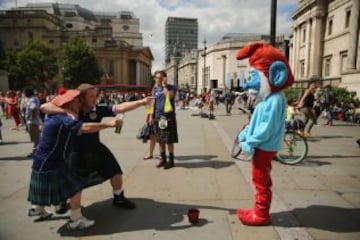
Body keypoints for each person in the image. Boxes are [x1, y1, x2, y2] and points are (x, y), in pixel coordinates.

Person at [41, 84, 153, 209]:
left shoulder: (97, 109)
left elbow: (119, 107)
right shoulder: (72, 108)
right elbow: (44, 106)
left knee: (115, 171)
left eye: (96, 95)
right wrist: (66, 111)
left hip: (95, 147)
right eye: (91, 96)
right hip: (74, 152)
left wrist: (142, 102)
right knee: (74, 183)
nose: (95, 99)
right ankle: (64, 202)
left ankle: (119, 198)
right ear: (81, 98)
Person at [28, 89, 121, 230]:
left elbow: (44, 106)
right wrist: (109, 125)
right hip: (51, 162)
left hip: (43, 161)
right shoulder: (64, 118)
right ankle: (76, 220)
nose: (79, 103)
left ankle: (38, 208)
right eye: (77, 101)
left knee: (46, 188)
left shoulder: (56, 113)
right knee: (75, 186)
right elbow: (84, 127)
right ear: (69, 103)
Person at [236, 42, 294, 226]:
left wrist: (249, 142)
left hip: (263, 147)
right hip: (264, 146)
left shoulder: (274, 100)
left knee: (260, 180)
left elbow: (265, 129)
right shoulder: (269, 98)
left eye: (254, 75)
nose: (249, 81)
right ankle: (259, 209)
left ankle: (261, 214)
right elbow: (257, 123)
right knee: (262, 179)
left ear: (274, 76)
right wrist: (246, 133)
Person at [150, 70, 178, 169]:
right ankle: (163, 159)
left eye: (160, 78)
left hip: (168, 117)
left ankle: (171, 161)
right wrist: (150, 116)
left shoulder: (171, 87)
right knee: (160, 140)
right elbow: (152, 104)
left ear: (165, 78)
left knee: (169, 140)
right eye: (157, 78)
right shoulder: (155, 90)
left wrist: (165, 86)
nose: (158, 79)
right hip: (158, 117)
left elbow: (170, 96)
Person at [24, 87, 41, 158]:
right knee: (35, 138)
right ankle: (35, 151)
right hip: (34, 121)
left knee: (35, 138)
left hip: (33, 122)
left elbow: (33, 108)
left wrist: (31, 117)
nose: (24, 94)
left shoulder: (32, 99)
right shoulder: (34, 98)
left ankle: (37, 152)